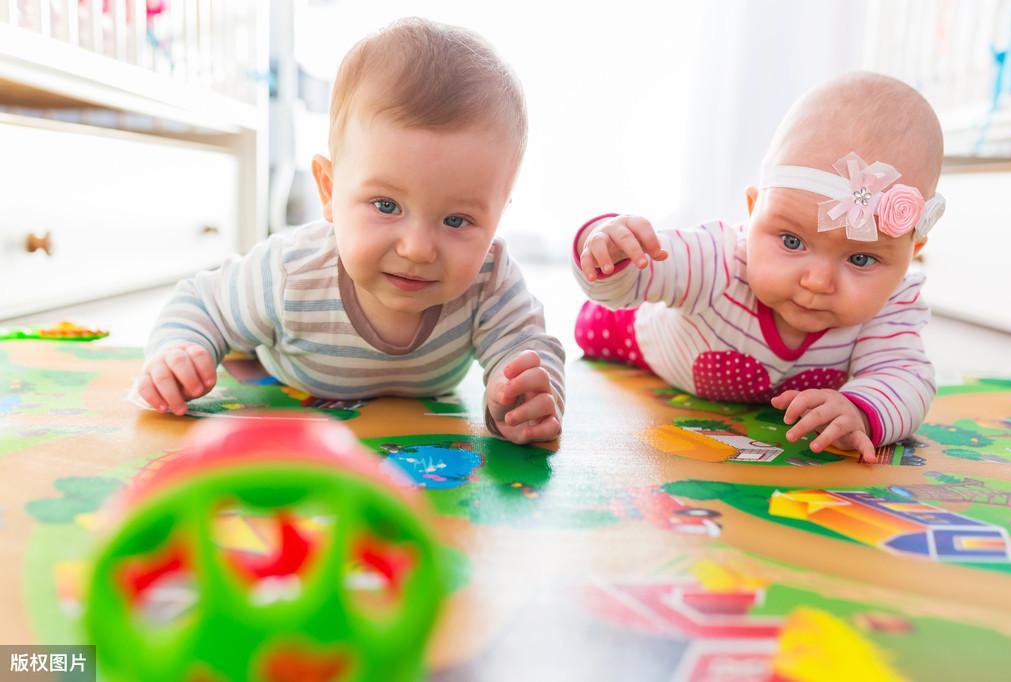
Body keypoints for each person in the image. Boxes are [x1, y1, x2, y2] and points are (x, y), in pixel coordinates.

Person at [137, 17, 565, 444]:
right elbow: (201, 302)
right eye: (386, 205)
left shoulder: (490, 280)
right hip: (285, 412)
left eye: (457, 220)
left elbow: (528, 348)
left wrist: (521, 397)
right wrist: (179, 353)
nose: (417, 249)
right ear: (329, 189)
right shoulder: (290, 274)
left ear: (497, 217)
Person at [572, 72, 945, 462]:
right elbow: (648, 263)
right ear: (753, 213)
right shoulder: (719, 259)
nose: (817, 281)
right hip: (650, 341)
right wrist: (608, 250)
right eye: (791, 241)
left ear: (911, 251)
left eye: (861, 258)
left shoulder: (890, 304)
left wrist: (863, 411)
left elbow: (907, 377)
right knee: (602, 312)